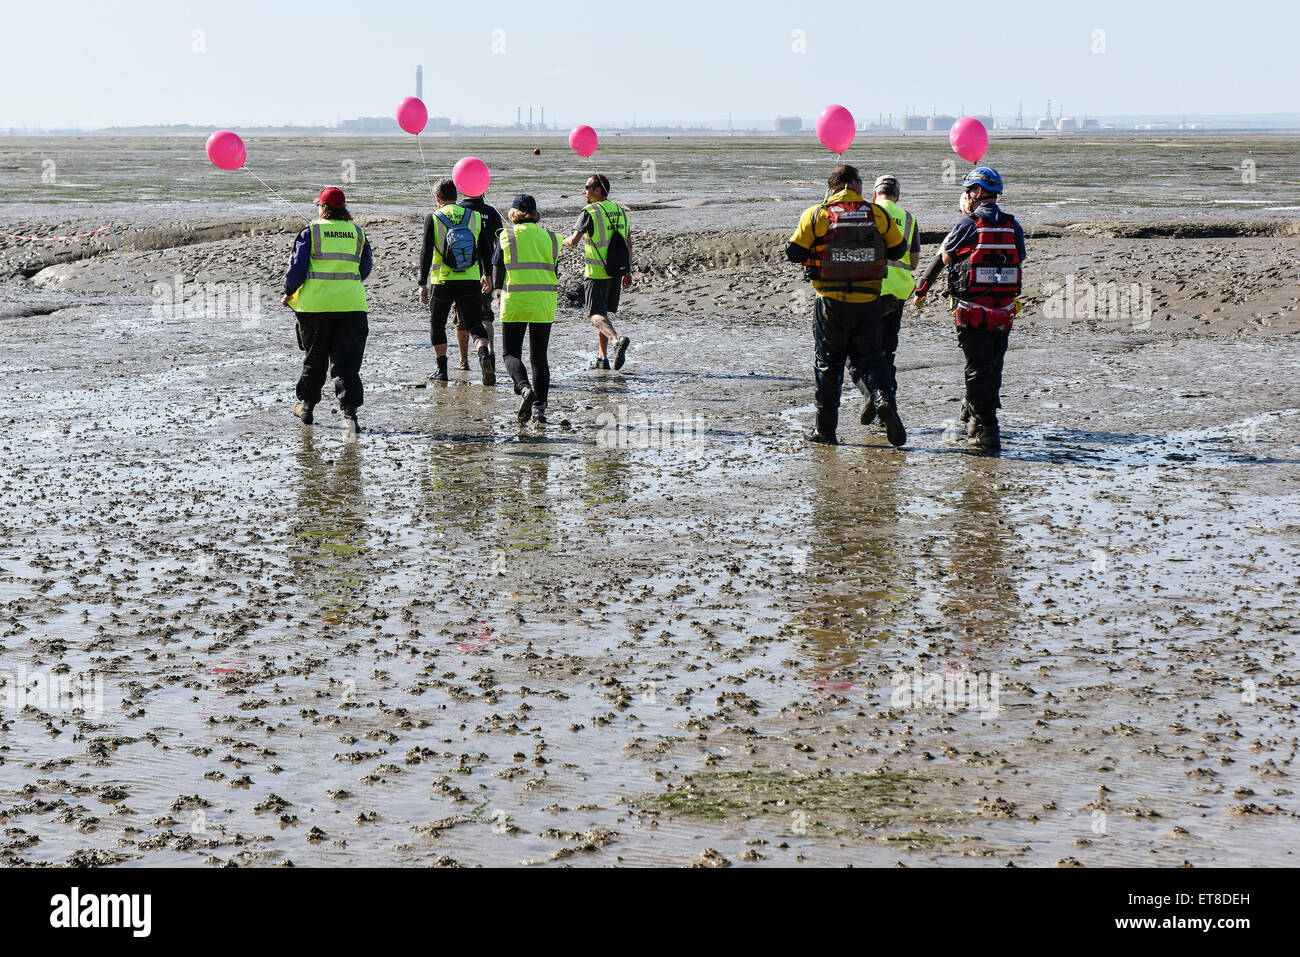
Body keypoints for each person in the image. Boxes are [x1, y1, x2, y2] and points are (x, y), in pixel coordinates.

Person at [785, 164, 909, 447]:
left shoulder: (817, 214)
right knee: (872, 358)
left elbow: (794, 252)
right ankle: (882, 399)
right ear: (852, 184)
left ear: (832, 188)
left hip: (830, 303)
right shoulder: (876, 213)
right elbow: (899, 250)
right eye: (861, 182)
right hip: (868, 302)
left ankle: (826, 432)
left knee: (828, 365)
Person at [913, 166, 1026, 455]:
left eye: (967, 192)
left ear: (976, 193)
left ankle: (988, 430)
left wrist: (921, 289)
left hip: (972, 310)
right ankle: (974, 418)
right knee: (993, 365)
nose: (965, 197)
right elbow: (1020, 257)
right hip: (1004, 311)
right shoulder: (1013, 225)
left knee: (976, 369)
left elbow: (943, 256)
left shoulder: (967, 224)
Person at [281, 186, 373, 434]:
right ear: (343, 209)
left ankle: (307, 407)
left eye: (318, 205)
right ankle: (349, 415)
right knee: (347, 364)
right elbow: (364, 270)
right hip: (352, 306)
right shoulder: (357, 232)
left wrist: (289, 291)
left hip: (315, 308)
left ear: (323, 208)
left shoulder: (311, 231)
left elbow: (296, 270)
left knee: (314, 359)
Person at [849, 175, 920, 428]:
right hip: (897, 294)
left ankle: (872, 396)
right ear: (897, 196)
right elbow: (912, 262)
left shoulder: (866, 214)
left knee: (855, 353)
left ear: (874, 194)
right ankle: (888, 408)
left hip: (868, 292)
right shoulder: (909, 219)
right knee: (887, 353)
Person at [484, 194, 561, 424]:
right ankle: (540, 409)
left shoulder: (506, 235)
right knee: (539, 358)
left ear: (514, 213)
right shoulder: (552, 238)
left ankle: (524, 387)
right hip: (543, 302)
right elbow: (552, 267)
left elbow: (497, 266)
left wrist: (496, 290)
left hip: (515, 300)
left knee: (510, 353)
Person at [418, 178, 494, 385]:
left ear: (438, 198)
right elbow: (486, 249)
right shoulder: (474, 216)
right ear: (456, 196)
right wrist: (487, 275)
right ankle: (483, 356)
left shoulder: (433, 217)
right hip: (470, 279)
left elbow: (425, 252)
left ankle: (442, 370)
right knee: (475, 324)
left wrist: (422, 283)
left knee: (437, 324)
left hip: (443, 281)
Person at [562, 173, 631, 371]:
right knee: (604, 316)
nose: (584, 191)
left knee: (594, 315)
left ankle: (617, 341)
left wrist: (561, 241)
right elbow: (628, 242)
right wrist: (629, 271)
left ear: (597, 190)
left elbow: (574, 241)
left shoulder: (589, 211)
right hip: (616, 271)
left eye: (586, 187)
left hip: (596, 273)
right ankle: (603, 358)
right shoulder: (621, 210)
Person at [452, 189, 504, 371]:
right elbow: (499, 244)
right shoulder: (491, 212)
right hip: (486, 272)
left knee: (461, 318)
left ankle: (464, 361)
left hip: (462, 272)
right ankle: (489, 353)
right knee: (486, 315)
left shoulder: (459, 211)